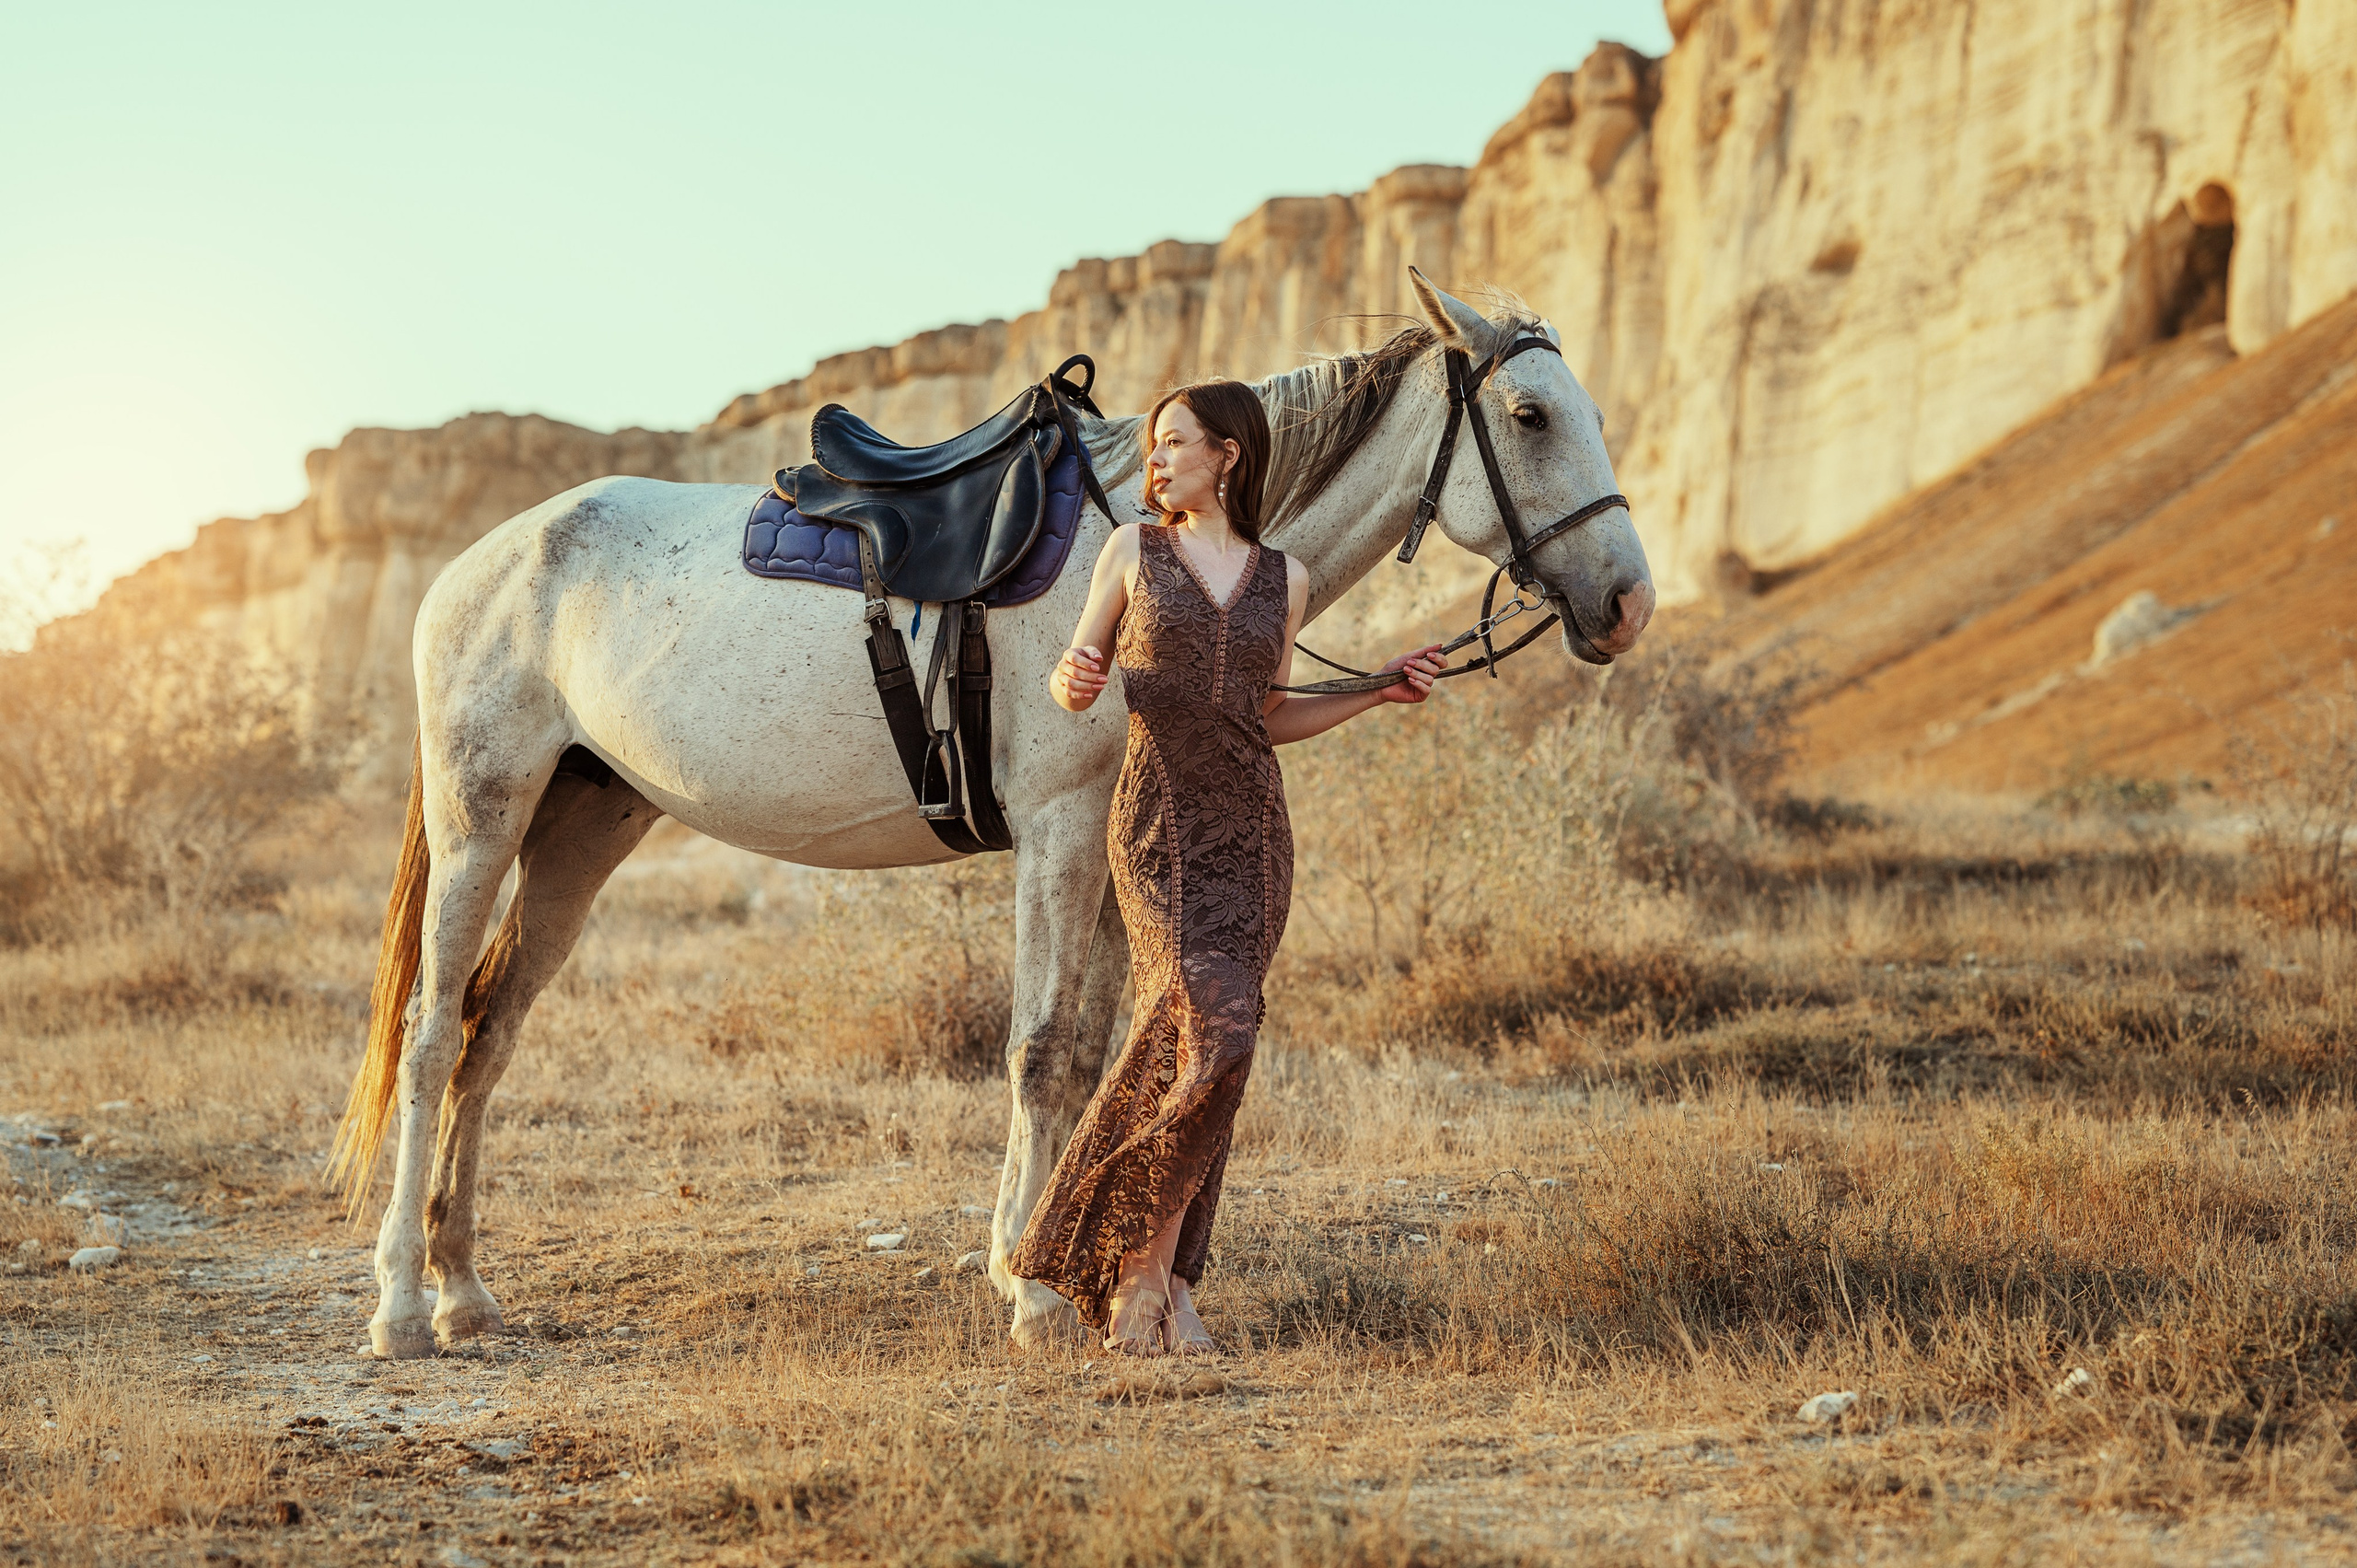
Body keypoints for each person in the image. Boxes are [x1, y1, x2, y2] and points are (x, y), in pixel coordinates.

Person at [1009, 379, 1446, 1356]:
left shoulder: (1282, 577)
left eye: (1171, 443)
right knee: (1204, 1030)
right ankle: (1138, 1279)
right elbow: (1075, 669)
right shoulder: (1132, 551)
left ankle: (1164, 1283)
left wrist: (1377, 689)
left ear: (1228, 456)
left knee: (1218, 1047)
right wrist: (1074, 676)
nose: (1153, 462)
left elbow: (1271, 714)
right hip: (1158, 823)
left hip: (1250, 831)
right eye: (1152, 447)